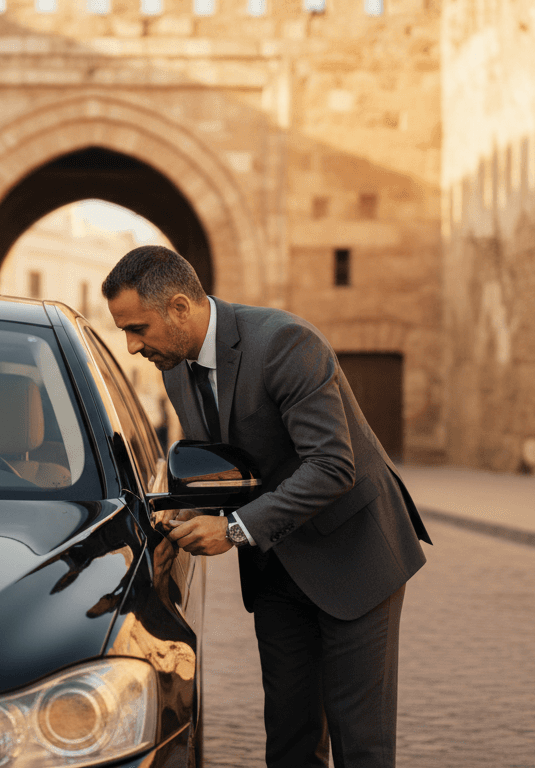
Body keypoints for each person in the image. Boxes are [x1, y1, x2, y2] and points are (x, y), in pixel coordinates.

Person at [102, 245, 431, 768]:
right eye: (125, 331)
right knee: (289, 737)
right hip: (275, 564)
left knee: (361, 744)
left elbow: (332, 466)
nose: (132, 345)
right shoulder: (174, 366)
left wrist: (233, 530)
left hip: (353, 555)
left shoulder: (284, 342)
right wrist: (183, 513)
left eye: (138, 328)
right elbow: (225, 466)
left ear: (180, 307)